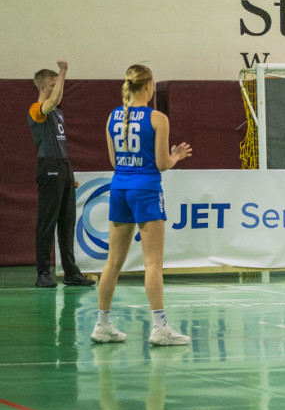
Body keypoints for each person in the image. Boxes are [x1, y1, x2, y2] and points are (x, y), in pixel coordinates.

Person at [90, 65, 193, 346]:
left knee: (112, 262)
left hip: (119, 188)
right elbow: (161, 164)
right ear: (148, 85)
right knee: (153, 263)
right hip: (146, 189)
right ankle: (160, 327)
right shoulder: (157, 118)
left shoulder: (114, 116)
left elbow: (114, 162)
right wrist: (177, 156)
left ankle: (102, 324)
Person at [28, 60, 95, 288]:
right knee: (47, 222)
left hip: (64, 168)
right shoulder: (38, 110)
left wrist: (70, 173)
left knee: (67, 223)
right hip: (49, 168)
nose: (59, 90)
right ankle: (43, 273)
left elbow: (61, 144)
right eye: (55, 85)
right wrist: (64, 71)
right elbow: (54, 99)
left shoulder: (57, 113)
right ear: (44, 89)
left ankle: (70, 272)